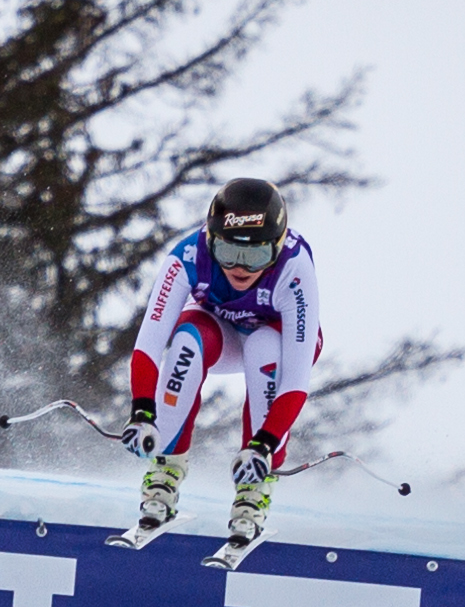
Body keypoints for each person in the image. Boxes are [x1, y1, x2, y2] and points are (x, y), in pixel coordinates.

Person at [119, 177, 321, 545]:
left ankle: (253, 492)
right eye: (228, 252)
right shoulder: (187, 257)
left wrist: (264, 445)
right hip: (223, 333)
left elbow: (295, 380)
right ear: (210, 240)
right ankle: (165, 472)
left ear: (277, 249)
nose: (240, 267)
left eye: (256, 255)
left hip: (276, 342)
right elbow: (148, 345)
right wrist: (143, 413)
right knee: (186, 340)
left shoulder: (295, 267)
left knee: (262, 346)